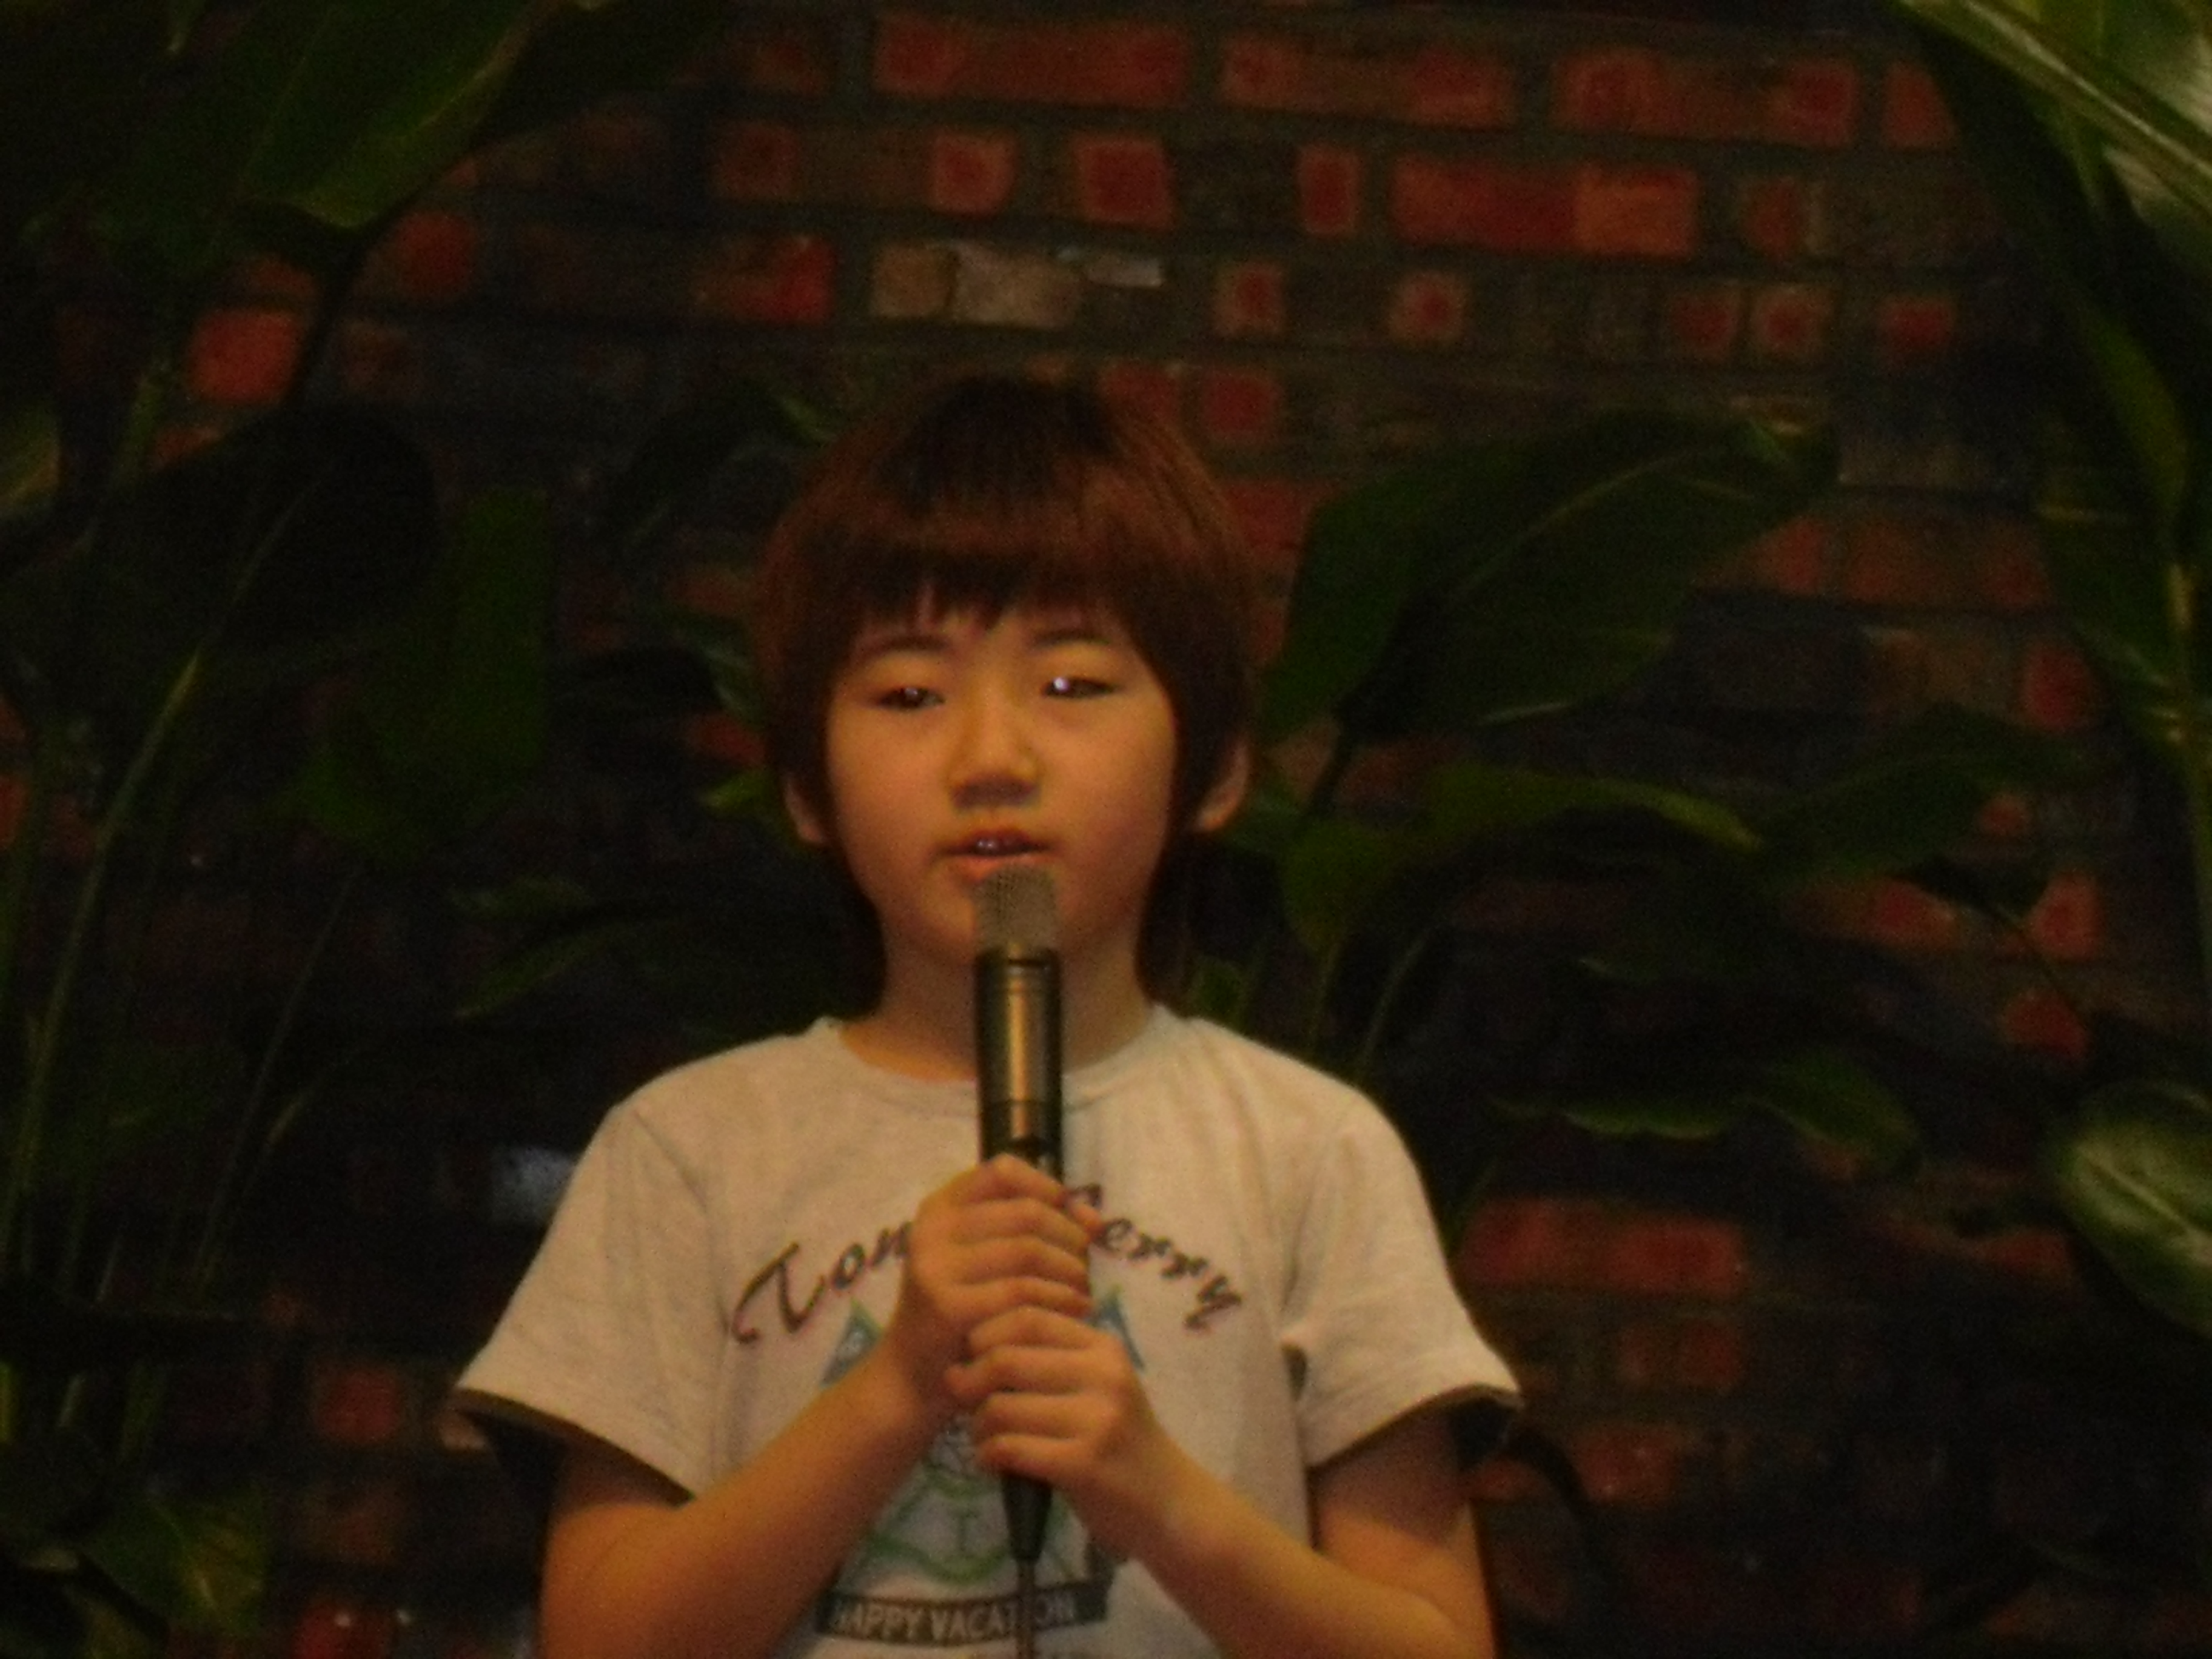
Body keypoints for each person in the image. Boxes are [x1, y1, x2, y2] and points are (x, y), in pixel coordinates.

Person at [452, 370, 1520, 1659]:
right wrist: (899, 1387)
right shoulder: (690, 1151)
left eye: (1072, 685)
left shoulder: (1309, 1152)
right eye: (910, 694)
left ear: (1217, 768)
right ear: (806, 788)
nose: (992, 758)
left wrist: (1164, 1499)